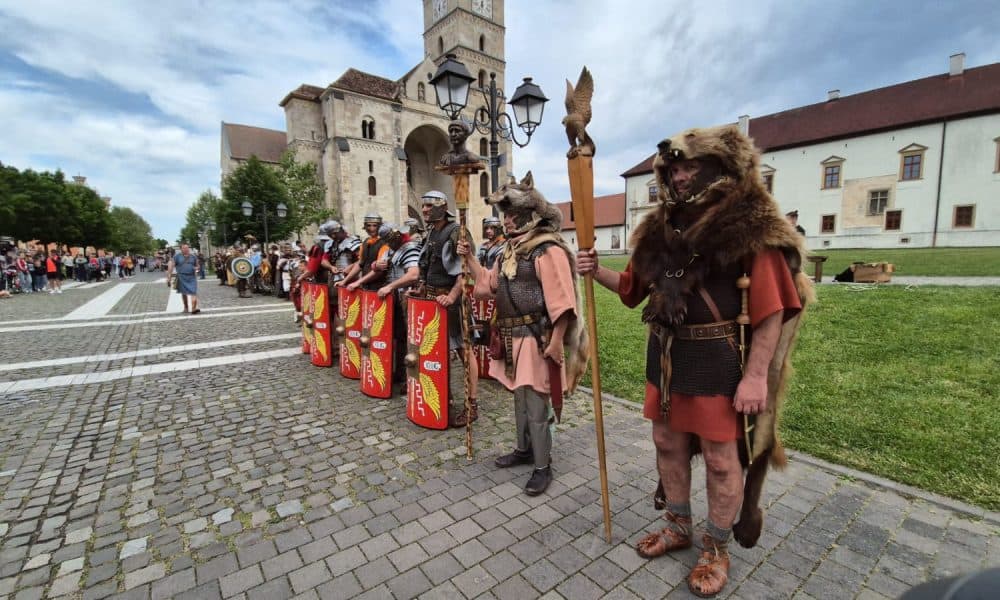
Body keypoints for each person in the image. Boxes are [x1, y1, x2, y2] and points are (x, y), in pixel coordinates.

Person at [577, 125, 810, 597]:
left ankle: (716, 547)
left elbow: (773, 308)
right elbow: (631, 290)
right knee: (667, 443)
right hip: (665, 357)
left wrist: (754, 378)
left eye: (689, 167)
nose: (679, 177)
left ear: (716, 169)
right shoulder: (659, 230)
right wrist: (592, 268)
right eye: (673, 169)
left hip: (719, 359)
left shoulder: (748, 226)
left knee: (724, 463)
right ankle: (679, 525)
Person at [458, 173, 587, 496]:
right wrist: (470, 257)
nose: (508, 221)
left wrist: (556, 342)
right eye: (506, 215)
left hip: (536, 336)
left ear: (531, 216)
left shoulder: (547, 250)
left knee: (535, 402)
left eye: (513, 215)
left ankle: (543, 466)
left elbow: (563, 301)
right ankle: (524, 449)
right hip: (512, 336)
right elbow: (488, 286)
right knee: (519, 397)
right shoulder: (507, 252)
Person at [411, 190, 477, 427]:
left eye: (429, 206)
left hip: (452, 303)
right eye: (424, 206)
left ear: (441, 206)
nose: (425, 210)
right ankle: (443, 395)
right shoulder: (431, 233)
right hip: (431, 302)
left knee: (463, 351)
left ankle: (472, 404)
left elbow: (466, 270)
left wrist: (452, 295)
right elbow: (429, 266)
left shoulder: (456, 232)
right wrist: (421, 288)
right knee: (436, 352)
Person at [375, 223, 422, 391]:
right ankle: (401, 372)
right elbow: (380, 267)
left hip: (408, 296)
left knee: (411, 338)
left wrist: (390, 287)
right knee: (399, 336)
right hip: (395, 297)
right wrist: (375, 266)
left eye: (391, 240)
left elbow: (413, 274)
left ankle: (412, 378)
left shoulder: (410, 248)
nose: (390, 243)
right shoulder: (392, 250)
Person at [344, 214, 389, 292]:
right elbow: (360, 264)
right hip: (366, 285)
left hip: (381, 287)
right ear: (365, 226)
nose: (372, 229)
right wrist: (344, 281)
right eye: (369, 225)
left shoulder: (385, 243)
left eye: (375, 225)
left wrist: (358, 282)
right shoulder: (365, 242)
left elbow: (379, 270)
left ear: (380, 226)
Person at [166, 244, 201, 314]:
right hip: (181, 277)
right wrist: (169, 278)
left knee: (193, 292)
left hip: (192, 277)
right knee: (184, 293)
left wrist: (196, 268)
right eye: (184, 248)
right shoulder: (177, 257)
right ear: (181, 249)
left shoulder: (193, 257)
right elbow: (171, 266)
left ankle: (194, 308)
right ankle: (186, 307)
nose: (186, 249)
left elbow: (197, 265)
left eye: (187, 248)